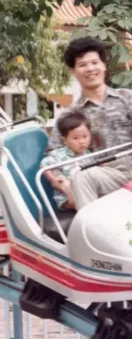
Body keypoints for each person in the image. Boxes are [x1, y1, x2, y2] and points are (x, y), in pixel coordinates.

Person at [48, 36, 132, 208]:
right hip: (106, 175)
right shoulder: (70, 116)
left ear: (104, 65)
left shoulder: (127, 98)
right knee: (83, 176)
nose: (90, 69)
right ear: (73, 71)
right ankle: (92, 230)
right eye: (82, 65)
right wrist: (63, 183)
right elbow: (53, 155)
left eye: (95, 62)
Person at [41, 110, 92, 210]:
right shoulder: (59, 154)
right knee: (71, 189)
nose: (82, 141)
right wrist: (53, 180)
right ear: (65, 140)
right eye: (75, 138)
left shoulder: (89, 154)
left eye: (85, 137)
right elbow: (44, 164)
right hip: (66, 197)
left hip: (85, 191)